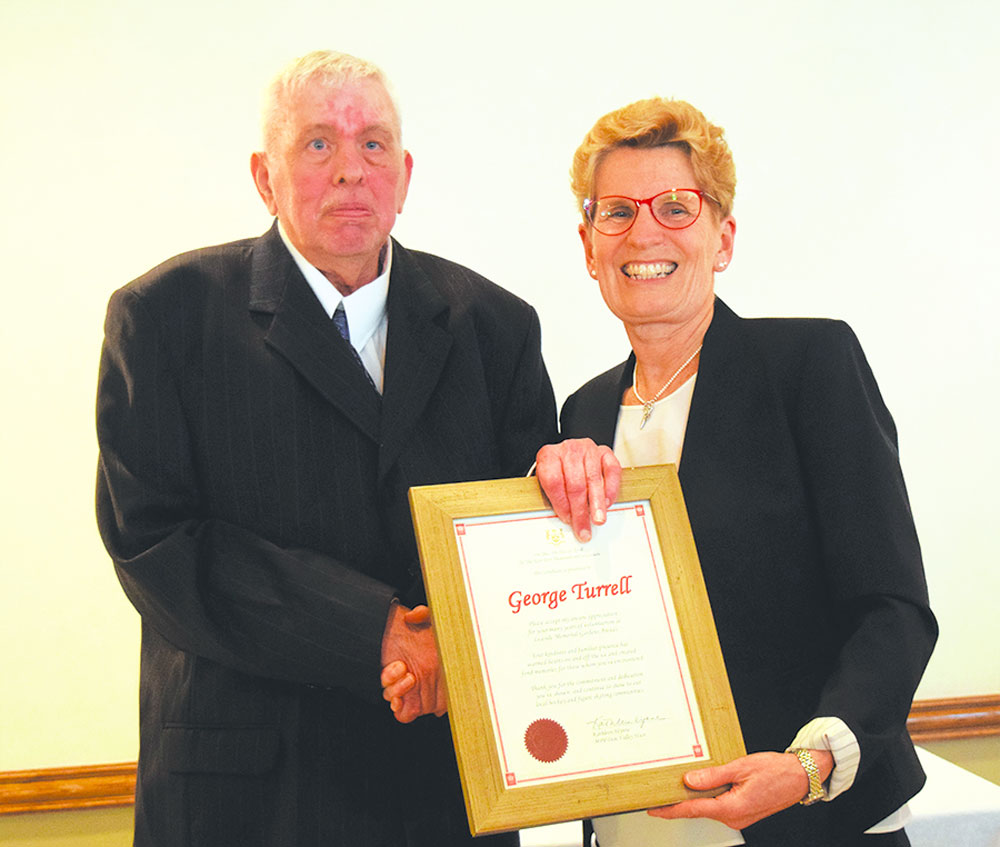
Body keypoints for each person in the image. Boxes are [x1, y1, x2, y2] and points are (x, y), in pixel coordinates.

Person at [95, 50, 559, 847]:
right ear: (263, 175)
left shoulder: (496, 325)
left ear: (405, 174)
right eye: (317, 144)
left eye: (373, 144)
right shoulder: (162, 317)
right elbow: (157, 545)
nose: (351, 169)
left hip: (442, 794)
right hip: (245, 799)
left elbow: (527, 544)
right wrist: (374, 628)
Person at [533, 98, 937, 846]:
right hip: (633, 824)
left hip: (803, 815)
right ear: (589, 246)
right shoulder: (581, 413)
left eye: (676, 207)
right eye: (616, 211)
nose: (644, 231)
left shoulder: (809, 367)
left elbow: (894, 610)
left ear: (723, 238)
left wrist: (808, 764)